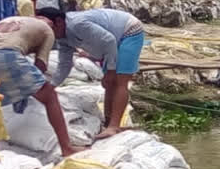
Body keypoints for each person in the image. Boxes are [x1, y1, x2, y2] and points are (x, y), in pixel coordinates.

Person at [0, 16, 85, 156]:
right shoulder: (47, 31)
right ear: (51, 23)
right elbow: (41, 65)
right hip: (8, 56)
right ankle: (67, 148)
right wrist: (30, 89)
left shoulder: (13, 20)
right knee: (50, 95)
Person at [38, 8, 144, 139]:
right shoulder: (62, 39)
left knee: (120, 80)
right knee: (109, 84)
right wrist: (51, 87)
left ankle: (114, 126)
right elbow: (64, 65)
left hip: (129, 31)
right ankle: (108, 122)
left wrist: (110, 71)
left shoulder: (77, 24)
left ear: (59, 22)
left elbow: (109, 40)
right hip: (111, 42)